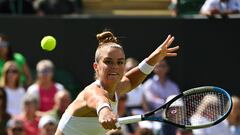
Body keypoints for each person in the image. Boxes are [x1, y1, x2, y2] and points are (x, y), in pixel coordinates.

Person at [55, 31, 179, 135]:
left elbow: (131, 80)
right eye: (108, 62)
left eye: (120, 62)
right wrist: (105, 112)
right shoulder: (92, 91)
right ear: (96, 66)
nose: (115, 66)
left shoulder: (117, 88)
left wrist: (154, 58)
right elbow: (99, 100)